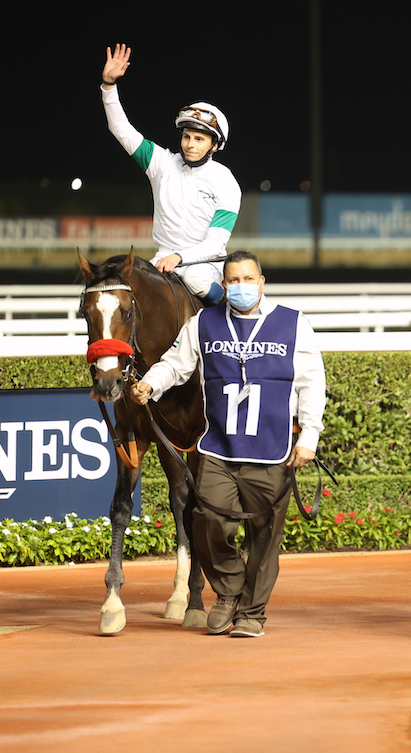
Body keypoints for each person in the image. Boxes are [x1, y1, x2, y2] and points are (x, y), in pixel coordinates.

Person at [131, 250, 326, 637]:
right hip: (218, 449)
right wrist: (151, 384)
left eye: (247, 279)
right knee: (207, 524)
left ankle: (252, 613)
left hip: (272, 452)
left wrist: (310, 436)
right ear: (224, 283)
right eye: (232, 280)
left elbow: (312, 383)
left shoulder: (293, 324)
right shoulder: (204, 322)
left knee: (265, 537)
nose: (240, 287)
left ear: (262, 282)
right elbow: (176, 363)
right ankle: (228, 593)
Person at [101, 43, 241, 306]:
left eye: (199, 139)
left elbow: (216, 242)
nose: (190, 144)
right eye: (187, 136)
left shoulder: (226, 181)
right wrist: (109, 86)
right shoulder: (161, 163)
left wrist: (179, 257)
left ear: (214, 145)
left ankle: (228, 312)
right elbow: (120, 128)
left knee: (196, 279)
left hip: (206, 264)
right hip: (162, 258)